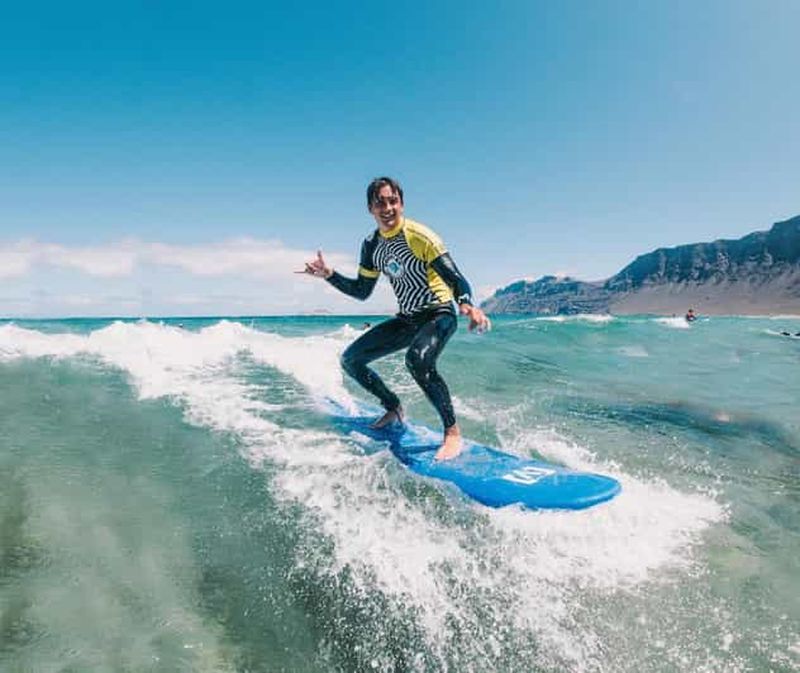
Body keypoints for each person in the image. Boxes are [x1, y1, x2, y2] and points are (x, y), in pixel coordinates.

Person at [300, 177, 491, 460]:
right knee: (351, 360)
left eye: (393, 201)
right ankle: (393, 407)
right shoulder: (371, 245)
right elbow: (362, 291)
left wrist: (467, 304)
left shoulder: (420, 236)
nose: (388, 208)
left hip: (439, 313)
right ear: (370, 208)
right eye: (380, 203)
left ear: (401, 203)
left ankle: (452, 432)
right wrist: (329, 275)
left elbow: (455, 278)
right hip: (408, 318)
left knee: (417, 360)